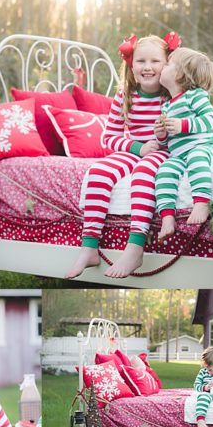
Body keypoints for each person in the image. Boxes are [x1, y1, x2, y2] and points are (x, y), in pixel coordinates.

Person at [66, 33, 177, 280]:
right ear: (131, 64)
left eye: (155, 61)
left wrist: (158, 142)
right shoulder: (125, 95)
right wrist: (137, 148)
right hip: (137, 150)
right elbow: (108, 138)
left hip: (166, 152)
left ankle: (135, 247)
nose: (147, 67)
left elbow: (201, 125)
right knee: (98, 171)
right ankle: (89, 246)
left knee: (143, 172)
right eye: (141, 61)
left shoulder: (172, 95)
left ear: (167, 64)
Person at [153, 46, 213, 241]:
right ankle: (167, 217)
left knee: (196, 157)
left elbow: (210, 120)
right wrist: (161, 134)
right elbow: (168, 140)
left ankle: (201, 202)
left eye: (167, 64)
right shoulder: (167, 105)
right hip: (178, 155)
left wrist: (183, 124)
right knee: (164, 170)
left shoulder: (196, 96)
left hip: (204, 148)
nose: (162, 67)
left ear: (179, 73)